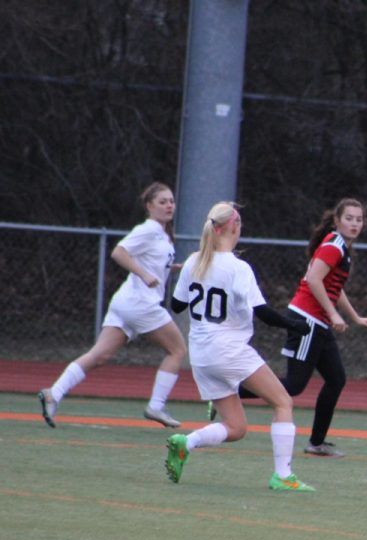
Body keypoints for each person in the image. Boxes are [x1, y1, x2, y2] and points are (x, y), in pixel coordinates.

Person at [165, 201, 314, 492]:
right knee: (283, 402)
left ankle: (187, 442)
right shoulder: (238, 267)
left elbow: (177, 305)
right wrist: (294, 325)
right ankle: (283, 476)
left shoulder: (195, 261)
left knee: (237, 428)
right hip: (229, 350)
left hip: (202, 355)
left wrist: (192, 275)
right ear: (232, 227)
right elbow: (263, 312)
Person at [38, 182, 187, 429]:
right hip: (141, 304)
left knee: (100, 355)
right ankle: (156, 406)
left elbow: (151, 262)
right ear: (149, 206)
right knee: (177, 350)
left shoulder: (161, 233)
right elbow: (119, 253)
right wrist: (143, 274)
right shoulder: (149, 228)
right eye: (162, 201)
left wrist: (173, 268)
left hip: (126, 302)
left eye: (171, 201)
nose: (169, 205)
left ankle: (54, 393)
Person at [240, 198, 367, 458]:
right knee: (293, 385)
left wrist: (354, 317)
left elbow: (334, 287)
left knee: (336, 379)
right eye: (349, 218)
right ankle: (227, 392)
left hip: (319, 323)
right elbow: (313, 279)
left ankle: (317, 443)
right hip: (307, 321)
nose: (354, 223)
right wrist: (333, 313)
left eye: (358, 219)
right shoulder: (334, 246)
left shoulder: (342, 247)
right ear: (337, 220)